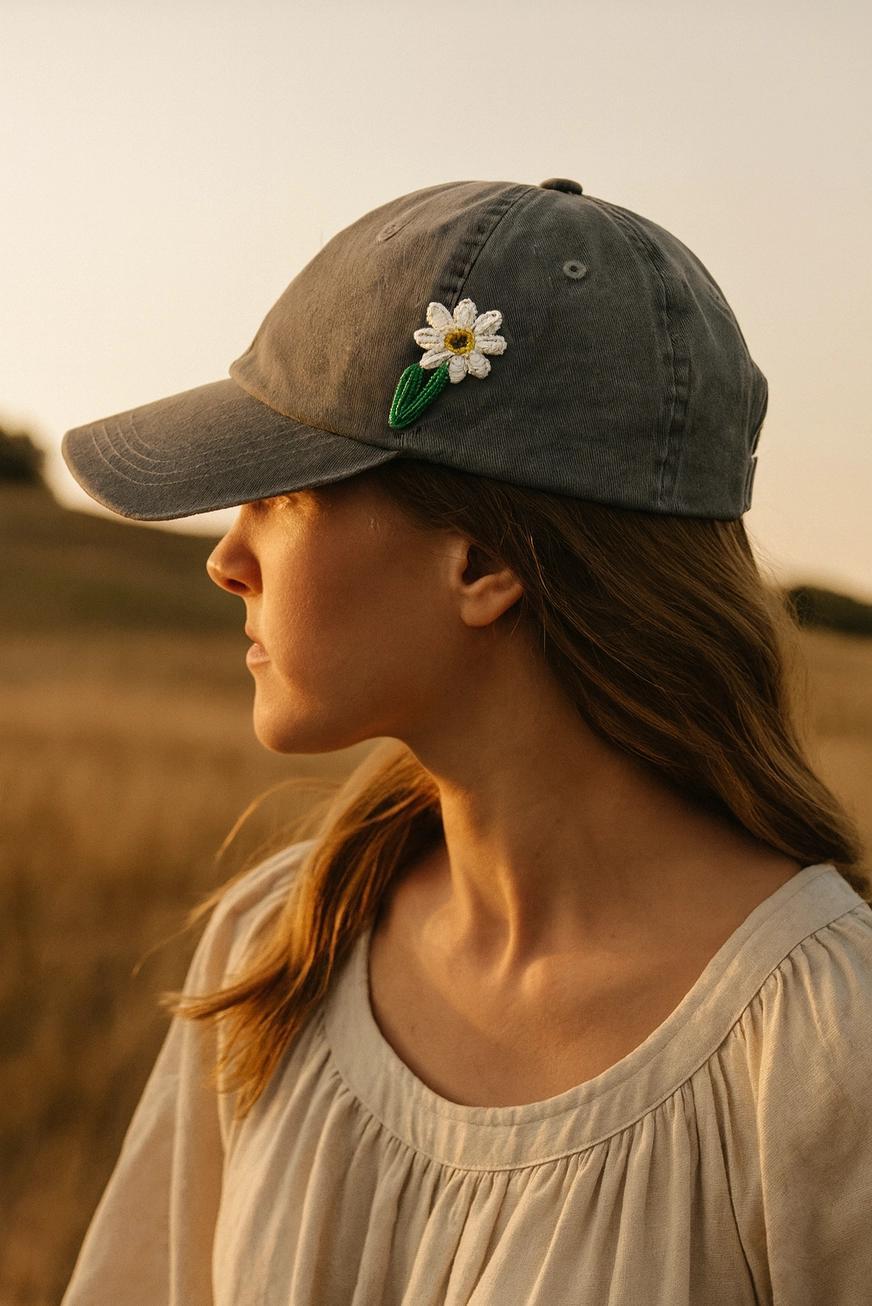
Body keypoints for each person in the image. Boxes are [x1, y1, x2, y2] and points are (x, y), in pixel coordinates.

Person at [59, 177, 871, 1304]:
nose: (224, 557)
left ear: (484, 563)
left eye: (282, 495)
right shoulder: (280, 949)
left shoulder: (829, 1048)